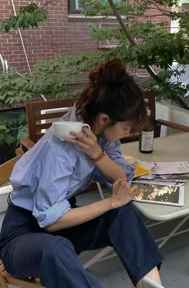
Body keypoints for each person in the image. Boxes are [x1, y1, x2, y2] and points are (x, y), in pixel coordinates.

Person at [0, 58, 165, 288]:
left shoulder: (96, 132)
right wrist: (110, 203)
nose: (127, 134)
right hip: (22, 235)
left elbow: (122, 176)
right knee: (57, 250)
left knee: (123, 213)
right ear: (105, 119)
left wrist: (97, 154)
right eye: (126, 128)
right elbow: (52, 222)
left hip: (65, 224)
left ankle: (151, 285)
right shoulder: (60, 148)